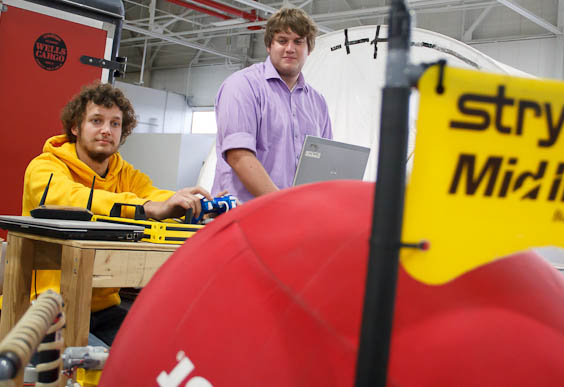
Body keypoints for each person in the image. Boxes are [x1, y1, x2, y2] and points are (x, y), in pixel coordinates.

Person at [18, 82, 214, 346]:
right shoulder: (44, 168)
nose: (106, 131)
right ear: (75, 127)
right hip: (44, 307)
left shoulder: (124, 173)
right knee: (97, 370)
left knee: (157, 353)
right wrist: (144, 208)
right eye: (96, 121)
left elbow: (151, 194)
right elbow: (71, 199)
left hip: (103, 308)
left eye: (115, 124)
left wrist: (184, 203)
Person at [212, 7, 332, 203]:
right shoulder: (242, 86)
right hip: (245, 215)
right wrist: (282, 205)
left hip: (295, 216)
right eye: (282, 41)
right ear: (269, 46)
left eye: (298, 42)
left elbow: (324, 164)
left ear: (309, 49)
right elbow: (239, 156)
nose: (290, 49)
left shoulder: (318, 103)